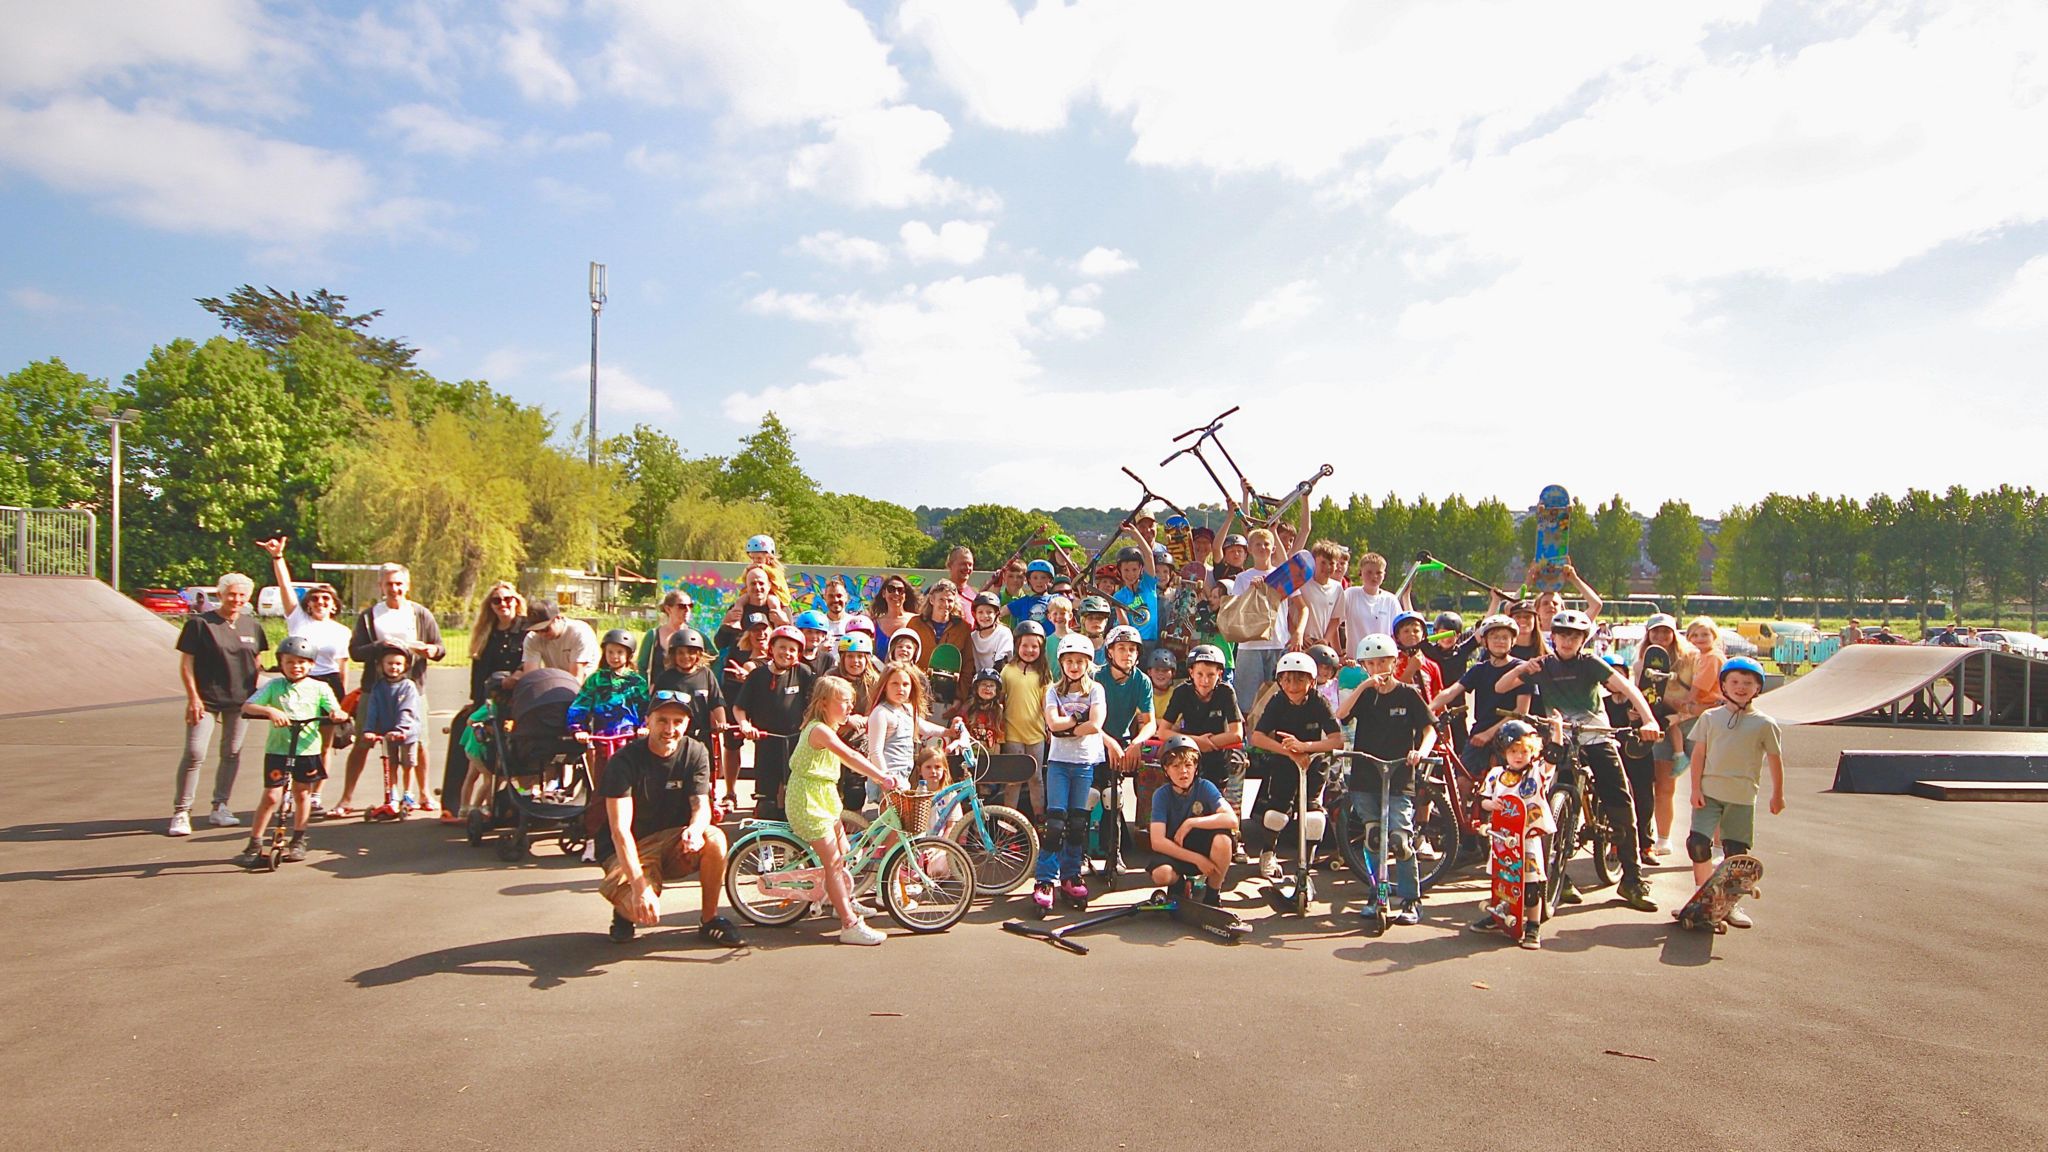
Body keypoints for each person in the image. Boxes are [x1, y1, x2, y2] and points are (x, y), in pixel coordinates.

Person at [1493, 609, 1664, 912]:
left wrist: (1649, 720)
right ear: (1553, 637)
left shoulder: (1590, 664)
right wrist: (1522, 669)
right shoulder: (1542, 665)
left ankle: (1632, 879)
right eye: (1562, 635)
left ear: (1583, 640)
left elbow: (1627, 689)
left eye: (1574, 636)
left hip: (1595, 734)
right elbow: (1500, 687)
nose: (1567, 640)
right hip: (1560, 737)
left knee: (1621, 802)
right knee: (1546, 800)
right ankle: (1560, 875)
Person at [598, 691, 742, 946]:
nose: (670, 729)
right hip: (634, 845)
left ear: (687, 724)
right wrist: (640, 888)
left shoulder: (696, 752)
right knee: (639, 910)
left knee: (715, 837)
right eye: (662, 720)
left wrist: (696, 829)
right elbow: (620, 831)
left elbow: (701, 805)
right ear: (648, 721)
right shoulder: (624, 761)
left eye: (678, 722)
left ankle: (710, 920)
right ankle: (624, 912)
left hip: (674, 841)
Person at [786, 677, 903, 945]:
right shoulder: (820, 731)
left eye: (851, 701)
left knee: (844, 849)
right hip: (808, 801)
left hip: (822, 797)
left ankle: (840, 897)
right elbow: (851, 757)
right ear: (824, 703)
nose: (850, 706)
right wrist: (881, 777)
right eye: (844, 701)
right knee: (834, 862)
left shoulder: (827, 726)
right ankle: (849, 924)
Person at [1333, 633, 1437, 926]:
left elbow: (1429, 729)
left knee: (1400, 839)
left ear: (1395, 661)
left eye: (1383, 662)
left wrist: (1420, 751)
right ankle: (1375, 894)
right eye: (1372, 663)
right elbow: (1341, 715)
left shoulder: (1408, 694)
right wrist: (1364, 685)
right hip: (1366, 776)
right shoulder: (1365, 694)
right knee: (1373, 837)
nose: (1378, 668)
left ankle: (1410, 899)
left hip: (1399, 775)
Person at [1686, 656, 1784, 928]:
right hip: (1709, 792)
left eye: (1748, 683)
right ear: (1724, 685)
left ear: (1758, 688)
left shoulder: (1765, 724)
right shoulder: (1710, 717)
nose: (1741, 687)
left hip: (1742, 795)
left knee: (1736, 855)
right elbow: (1698, 755)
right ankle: (1702, 897)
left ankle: (1730, 905)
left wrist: (1778, 794)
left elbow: (1775, 759)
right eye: (1735, 682)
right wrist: (1695, 788)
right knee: (1697, 843)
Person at [233, 635, 345, 867]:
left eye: (302, 662)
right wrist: (270, 712)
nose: (296, 667)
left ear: (312, 664)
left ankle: (298, 838)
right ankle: (254, 842)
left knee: (302, 793)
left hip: (307, 750)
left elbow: (335, 710)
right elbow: (248, 706)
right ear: (281, 663)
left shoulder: (320, 687)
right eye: (290, 662)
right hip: (278, 750)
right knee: (272, 795)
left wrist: (337, 714)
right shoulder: (274, 686)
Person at [170, 572, 268, 835]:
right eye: (231, 594)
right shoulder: (200, 624)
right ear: (221, 594)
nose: (236, 599)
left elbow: (256, 662)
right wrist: (193, 698)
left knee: (232, 753)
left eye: (242, 595)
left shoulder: (252, 626)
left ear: (248, 597)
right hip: (207, 700)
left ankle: (220, 806)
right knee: (195, 753)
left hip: (240, 701)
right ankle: (182, 811)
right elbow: (187, 663)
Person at [346, 563, 444, 810]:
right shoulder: (370, 616)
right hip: (376, 688)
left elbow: (439, 649)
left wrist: (429, 650)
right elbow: (355, 652)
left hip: (413, 690)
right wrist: (381, 646)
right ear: (381, 586)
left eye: (399, 584)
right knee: (362, 741)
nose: (394, 589)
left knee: (419, 742)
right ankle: (346, 798)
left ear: (407, 586)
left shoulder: (420, 614)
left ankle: (423, 794)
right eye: (389, 584)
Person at [256, 537, 350, 789]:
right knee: (295, 737)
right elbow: (284, 586)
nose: (320, 603)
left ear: (334, 605)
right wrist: (278, 557)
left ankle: (315, 792)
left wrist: (342, 699)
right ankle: (290, 787)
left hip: (328, 683)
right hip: (299, 682)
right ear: (308, 603)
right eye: (316, 599)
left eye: (326, 600)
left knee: (324, 743)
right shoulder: (298, 620)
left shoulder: (342, 631)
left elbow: (342, 665)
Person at [1247, 651, 1344, 880]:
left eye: (1300, 679)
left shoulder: (1319, 702)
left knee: (1313, 815)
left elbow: (1336, 739)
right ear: (1280, 681)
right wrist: (1290, 752)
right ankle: (1268, 853)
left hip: (1314, 760)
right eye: (1287, 679)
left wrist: (1305, 747)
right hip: (1284, 760)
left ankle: (1306, 861)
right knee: (1277, 812)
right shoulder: (1277, 701)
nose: (1293, 686)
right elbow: (1257, 737)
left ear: (1311, 681)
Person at [1031, 633, 1108, 910]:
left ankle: (1071, 875)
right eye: (1069, 661)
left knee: (1077, 824)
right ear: (1061, 662)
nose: (1074, 666)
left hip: (1085, 762)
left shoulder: (1095, 690)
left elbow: (1097, 723)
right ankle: (1044, 879)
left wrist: (1069, 729)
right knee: (1055, 824)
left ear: (1088, 663)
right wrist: (1078, 721)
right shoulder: (1053, 690)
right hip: (1060, 763)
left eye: (1079, 661)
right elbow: (1052, 724)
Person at [442, 580, 528, 822]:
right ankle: (455, 804)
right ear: (490, 605)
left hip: (518, 697)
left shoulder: (526, 630)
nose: (503, 604)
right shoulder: (486, 633)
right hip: (489, 697)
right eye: (497, 600)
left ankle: (514, 799)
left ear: (516, 601)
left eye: (508, 599)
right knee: (464, 729)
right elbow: (478, 672)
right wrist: (476, 702)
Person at [1469, 719, 1556, 949]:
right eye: (1513, 751)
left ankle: (1533, 926)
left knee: (1531, 885)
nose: (1519, 756)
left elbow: (1553, 758)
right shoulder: (1496, 774)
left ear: (1533, 752)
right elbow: (1483, 800)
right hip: (1502, 838)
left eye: (1524, 751)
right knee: (1502, 881)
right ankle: (1499, 916)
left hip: (1527, 839)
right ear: (1504, 752)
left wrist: (1556, 730)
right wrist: (1491, 805)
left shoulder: (1537, 774)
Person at [1158, 644, 1246, 839]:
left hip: (1218, 751)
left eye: (1211, 675)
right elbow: (1163, 731)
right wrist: (1196, 742)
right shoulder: (1182, 692)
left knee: (1238, 762)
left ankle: (1234, 833)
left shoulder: (1226, 692)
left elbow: (1237, 733)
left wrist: (1211, 742)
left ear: (1220, 674)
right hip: (1189, 752)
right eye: (1200, 674)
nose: (1205, 681)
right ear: (1191, 672)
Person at [1430, 614, 1531, 778]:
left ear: (1513, 641)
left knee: (1505, 782)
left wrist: (1489, 734)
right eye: (1494, 637)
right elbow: (1452, 691)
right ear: (1485, 642)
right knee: (1462, 780)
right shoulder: (1479, 669)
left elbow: (1521, 711)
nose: (1500, 641)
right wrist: (1427, 709)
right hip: (1480, 730)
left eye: (1505, 637)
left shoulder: (1521, 669)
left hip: (1513, 734)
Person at [733, 625, 817, 820]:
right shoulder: (757, 675)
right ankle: (766, 846)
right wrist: (745, 725)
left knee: (795, 798)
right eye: (782, 647)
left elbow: (815, 704)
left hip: (797, 743)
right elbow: (739, 707)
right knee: (766, 803)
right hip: (766, 742)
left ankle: (795, 847)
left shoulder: (803, 673)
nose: (786, 653)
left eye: (792, 649)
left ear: (798, 654)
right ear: (772, 648)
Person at [1146, 734, 1238, 898]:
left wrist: (1191, 823)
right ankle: (1179, 885)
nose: (1183, 771)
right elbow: (1157, 841)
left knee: (1223, 840)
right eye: (1176, 766)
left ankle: (1212, 894)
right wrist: (1197, 859)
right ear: (1166, 770)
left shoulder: (1205, 787)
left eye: (1188, 765)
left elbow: (1231, 820)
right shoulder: (1161, 795)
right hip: (1177, 850)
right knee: (1162, 874)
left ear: (1196, 767)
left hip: (1202, 845)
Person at [865, 660, 960, 809]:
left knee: (900, 826)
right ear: (884, 687)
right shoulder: (881, 713)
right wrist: (885, 778)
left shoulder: (907, 709)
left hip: (902, 777)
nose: (900, 689)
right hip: (887, 778)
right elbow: (875, 752)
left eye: (905, 684)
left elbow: (924, 727)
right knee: (892, 827)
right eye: (894, 684)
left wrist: (948, 732)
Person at [1094, 626, 1156, 840]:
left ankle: (1118, 846)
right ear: (1110, 652)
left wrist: (1137, 743)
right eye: (1121, 648)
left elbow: (1149, 723)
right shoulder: (1095, 677)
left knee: (1115, 795)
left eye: (1132, 649)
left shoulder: (1142, 681)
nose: (1127, 653)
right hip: (1093, 739)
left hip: (1122, 742)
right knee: (1090, 796)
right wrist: (1109, 743)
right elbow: (1087, 722)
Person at [568, 630, 651, 781]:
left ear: (629, 655)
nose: (614, 656)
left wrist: (644, 727)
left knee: (630, 780)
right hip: (602, 740)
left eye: (619, 652)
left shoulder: (636, 682)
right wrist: (578, 729)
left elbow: (645, 708)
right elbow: (581, 704)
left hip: (629, 740)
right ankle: (599, 803)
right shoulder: (597, 679)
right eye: (610, 652)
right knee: (602, 780)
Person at [1227, 528, 1294, 711]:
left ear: (1273, 549)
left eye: (1266, 544)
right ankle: (1249, 738)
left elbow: (1299, 606)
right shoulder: (1242, 578)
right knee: (1247, 702)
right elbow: (1236, 612)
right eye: (1258, 544)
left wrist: (1298, 634)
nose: (1262, 548)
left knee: (1279, 701)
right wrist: (1251, 590)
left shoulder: (1282, 575)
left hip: (1278, 642)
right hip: (1250, 644)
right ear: (1250, 549)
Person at [355, 642, 423, 817]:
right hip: (387, 732)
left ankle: (408, 794)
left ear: (405, 666)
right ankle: (392, 795)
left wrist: (401, 729)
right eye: (390, 663)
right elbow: (373, 709)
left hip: (406, 732)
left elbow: (407, 709)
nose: (394, 667)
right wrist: (368, 730)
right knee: (390, 764)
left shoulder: (408, 686)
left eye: (398, 664)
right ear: (381, 666)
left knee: (408, 764)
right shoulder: (378, 687)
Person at [999, 622, 1052, 815]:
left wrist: (1049, 728)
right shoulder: (1008, 670)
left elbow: (1047, 703)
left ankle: (1039, 817)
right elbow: (1000, 700)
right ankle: (1008, 821)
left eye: (1034, 646)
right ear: (1017, 646)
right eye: (1025, 645)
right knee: (1014, 779)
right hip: (1013, 732)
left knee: (1036, 778)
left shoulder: (1043, 673)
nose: (1029, 650)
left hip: (1036, 733)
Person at [1334, 551, 1400, 659]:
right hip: (1356, 661)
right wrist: (1339, 654)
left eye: (1379, 573)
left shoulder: (1391, 600)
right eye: (1369, 572)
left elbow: (1397, 634)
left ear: (1384, 575)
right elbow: (1334, 624)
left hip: (1382, 662)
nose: (1374, 577)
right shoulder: (1350, 594)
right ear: (1361, 573)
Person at [1288, 539, 1346, 655]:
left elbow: (1335, 620)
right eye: (1323, 563)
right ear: (1314, 562)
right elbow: (1287, 613)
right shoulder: (1302, 582)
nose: (1327, 567)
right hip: (1297, 643)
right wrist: (1298, 635)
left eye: (1332, 564)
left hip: (1319, 645)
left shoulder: (1337, 588)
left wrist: (1325, 640)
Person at [521, 600, 598, 683]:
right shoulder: (532, 638)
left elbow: (577, 678)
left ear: (558, 618)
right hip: (557, 680)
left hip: (589, 683)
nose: (541, 634)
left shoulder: (579, 633)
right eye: (536, 630)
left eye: (545, 629)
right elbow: (530, 677)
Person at [908, 579, 971, 673]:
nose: (946, 604)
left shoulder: (963, 628)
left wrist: (962, 687)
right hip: (919, 683)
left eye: (950, 601)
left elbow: (968, 664)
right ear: (932, 600)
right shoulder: (915, 624)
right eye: (941, 599)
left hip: (949, 685)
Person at [638, 589, 697, 679]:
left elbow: (715, 659)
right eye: (682, 606)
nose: (687, 610)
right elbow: (642, 667)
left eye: (690, 606)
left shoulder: (696, 636)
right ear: (668, 609)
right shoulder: (653, 636)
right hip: (659, 691)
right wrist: (646, 689)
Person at [869, 574, 920, 653]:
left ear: (905, 595)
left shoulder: (917, 620)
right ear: (883, 594)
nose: (896, 593)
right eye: (891, 589)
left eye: (900, 590)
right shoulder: (875, 624)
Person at [966, 592, 1014, 675]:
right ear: (975, 615)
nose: (985, 616)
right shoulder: (973, 637)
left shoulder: (1003, 633)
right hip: (978, 682)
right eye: (980, 612)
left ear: (996, 614)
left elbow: (1001, 663)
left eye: (989, 612)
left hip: (999, 679)